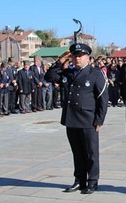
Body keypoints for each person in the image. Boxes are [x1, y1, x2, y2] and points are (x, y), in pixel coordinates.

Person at [45, 43, 109, 194]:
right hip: (71, 118)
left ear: (88, 57)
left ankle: (92, 181)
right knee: (77, 152)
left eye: (80, 56)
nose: (77, 59)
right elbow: (49, 76)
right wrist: (60, 61)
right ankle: (79, 180)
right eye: (74, 56)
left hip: (88, 118)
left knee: (91, 153)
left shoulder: (95, 73)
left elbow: (102, 98)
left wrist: (99, 119)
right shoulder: (68, 73)